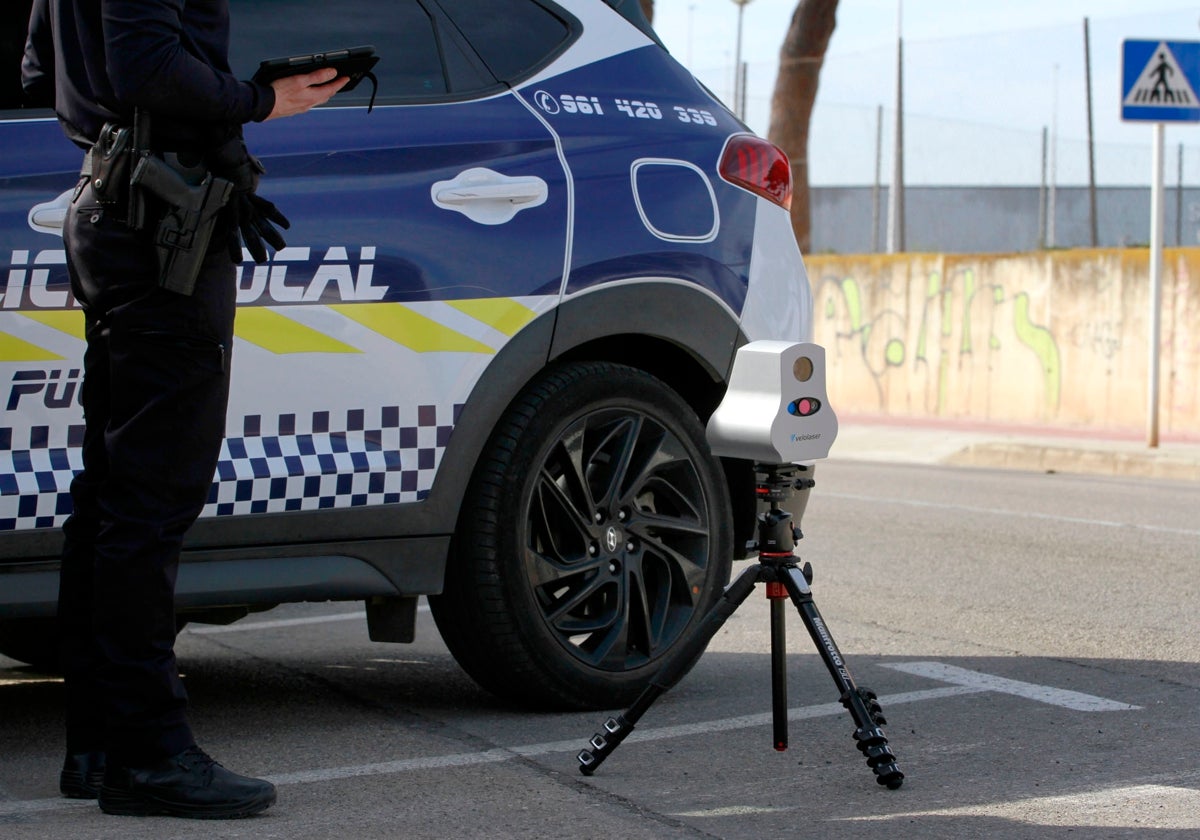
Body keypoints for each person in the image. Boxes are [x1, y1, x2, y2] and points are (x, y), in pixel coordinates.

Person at [22, 0, 347, 820]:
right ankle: (150, 754)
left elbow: (40, 66)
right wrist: (259, 101)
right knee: (149, 499)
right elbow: (147, 70)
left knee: (112, 497)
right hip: (160, 223)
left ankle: (100, 741)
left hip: (121, 205)